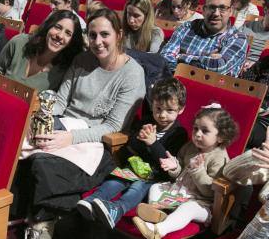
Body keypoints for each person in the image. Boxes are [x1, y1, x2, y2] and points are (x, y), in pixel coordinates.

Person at [4, 8, 146, 239]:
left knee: (43, 162)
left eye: (105, 34)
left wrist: (69, 137)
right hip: (66, 126)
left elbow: (113, 127)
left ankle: (41, 236)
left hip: (98, 143)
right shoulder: (82, 59)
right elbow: (61, 102)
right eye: (92, 35)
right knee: (22, 141)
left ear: (119, 35)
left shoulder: (132, 74)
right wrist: (44, 120)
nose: (98, 41)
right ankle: (11, 215)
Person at [76, 78, 189, 228]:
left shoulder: (179, 134)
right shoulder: (146, 122)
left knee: (137, 188)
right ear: (152, 105)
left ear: (180, 109)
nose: (162, 115)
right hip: (134, 167)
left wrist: (152, 143)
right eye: (158, 109)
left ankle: (117, 209)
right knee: (115, 180)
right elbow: (131, 145)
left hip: (155, 177)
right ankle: (93, 200)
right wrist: (140, 138)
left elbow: (166, 161)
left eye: (169, 111)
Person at [132, 105, 238, 239]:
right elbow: (179, 171)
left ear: (220, 137)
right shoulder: (190, 146)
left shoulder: (219, 158)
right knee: (156, 187)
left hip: (201, 203)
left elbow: (210, 193)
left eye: (205, 131)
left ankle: (158, 230)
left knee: (188, 208)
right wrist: (174, 166)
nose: (197, 134)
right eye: (195, 129)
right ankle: (158, 212)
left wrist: (198, 171)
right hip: (178, 193)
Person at [161, 0, 249, 76]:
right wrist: (206, 57)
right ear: (204, 10)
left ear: (231, 11)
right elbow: (164, 58)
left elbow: (218, 67)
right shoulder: (187, 27)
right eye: (212, 7)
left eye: (222, 8)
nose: (216, 13)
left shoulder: (238, 38)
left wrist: (179, 56)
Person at [0, 9, 83, 92]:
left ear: (72, 41)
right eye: (58, 27)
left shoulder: (63, 72)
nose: (60, 36)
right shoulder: (19, 43)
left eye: (68, 33)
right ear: (48, 27)